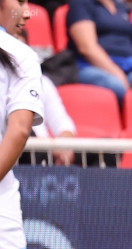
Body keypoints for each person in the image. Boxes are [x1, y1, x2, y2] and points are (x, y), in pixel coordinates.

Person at [0, 0, 45, 249]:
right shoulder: (20, 56)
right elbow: (17, 132)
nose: (27, 13)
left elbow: (18, 131)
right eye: (20, 1)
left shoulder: (20, 56)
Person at [15, 28, 77, 166]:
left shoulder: (43, 82)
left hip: (48, 154)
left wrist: (64, 145)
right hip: (18, 154)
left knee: (108, 150)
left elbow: (63, 124)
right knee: (27, 135)